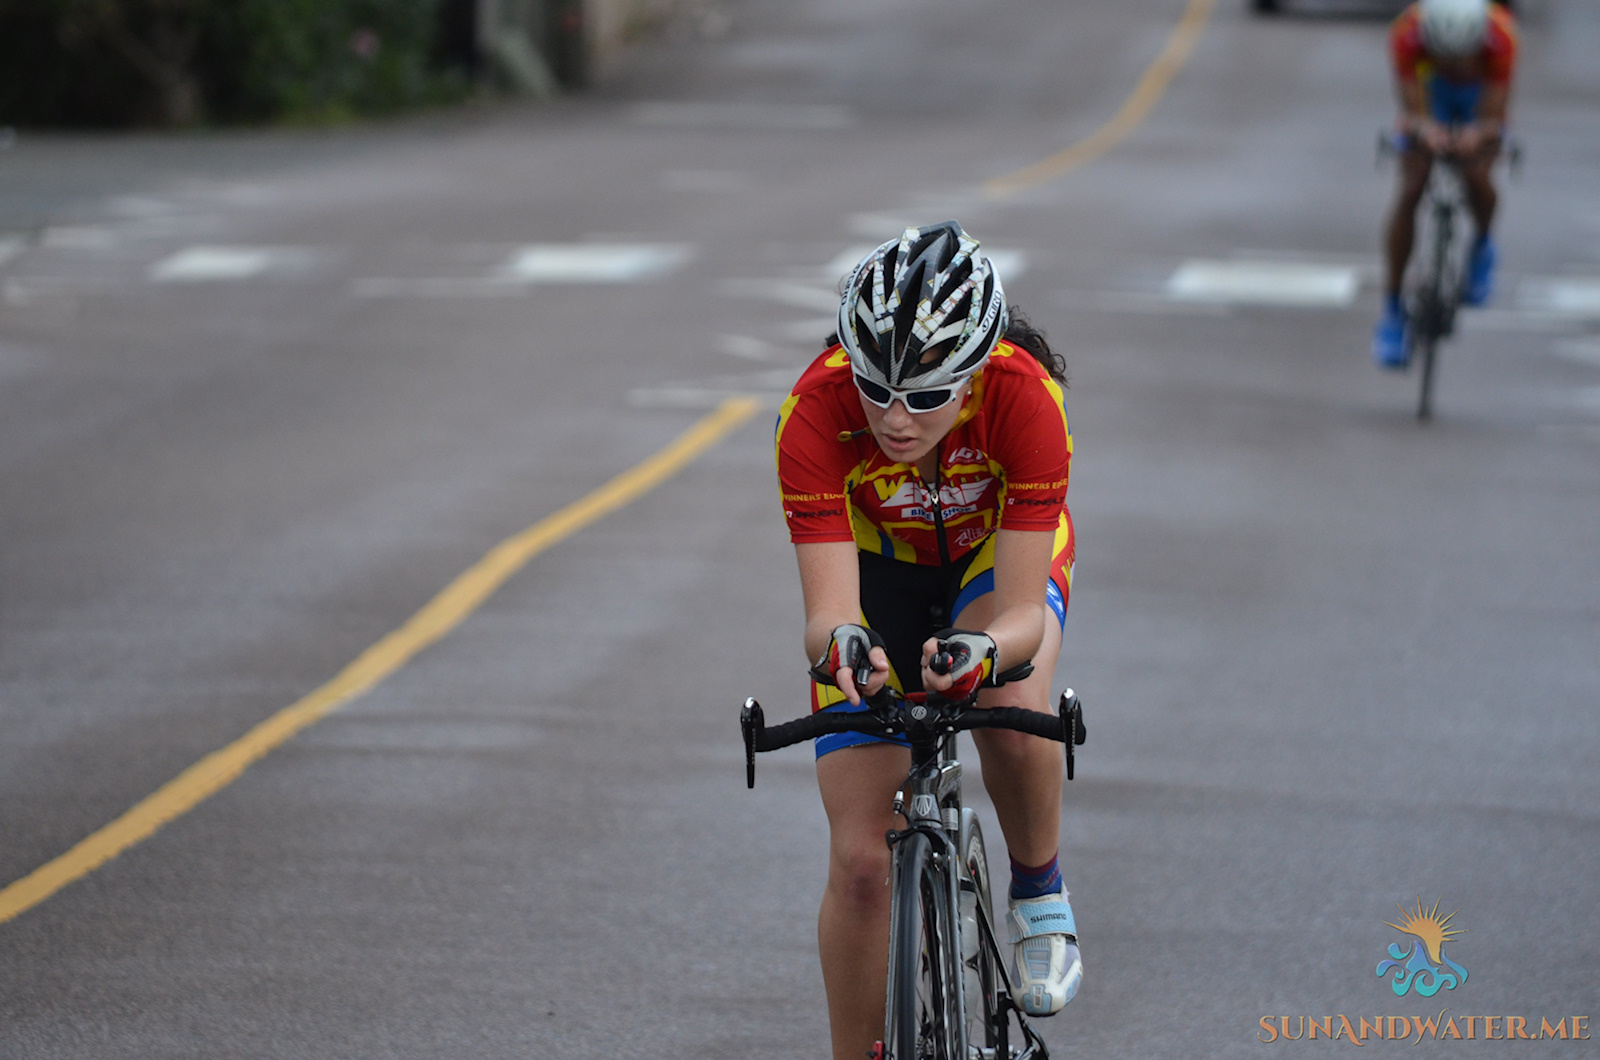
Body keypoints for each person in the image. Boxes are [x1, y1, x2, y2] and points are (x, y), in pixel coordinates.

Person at [773, 221, 1080, 1060]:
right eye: (875, 388)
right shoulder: (813, 412)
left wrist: (983, 652)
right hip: (881, 575)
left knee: (1011, 699)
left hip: (993, 563)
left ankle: (1040, 893)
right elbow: (827, 611)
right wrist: (845, 646)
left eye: (925, 396)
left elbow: (1018, 613)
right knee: (862, 860)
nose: (894, 418)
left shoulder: (1025, 401)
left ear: (975, 373)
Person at [1373, 0, 1518, 369]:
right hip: (1430, 93)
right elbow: (1411, 111)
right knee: (1412, 184)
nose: (1455, 65)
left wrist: (1478, 135)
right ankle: (1392, 309)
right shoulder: (1406, 34)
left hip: (1477, 96)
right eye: (1446, 56)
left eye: (1462, 57)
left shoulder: (1502, 37)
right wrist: (1424, 130)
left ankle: (1483, 244)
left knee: (1477, 172)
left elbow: (1494, 116)